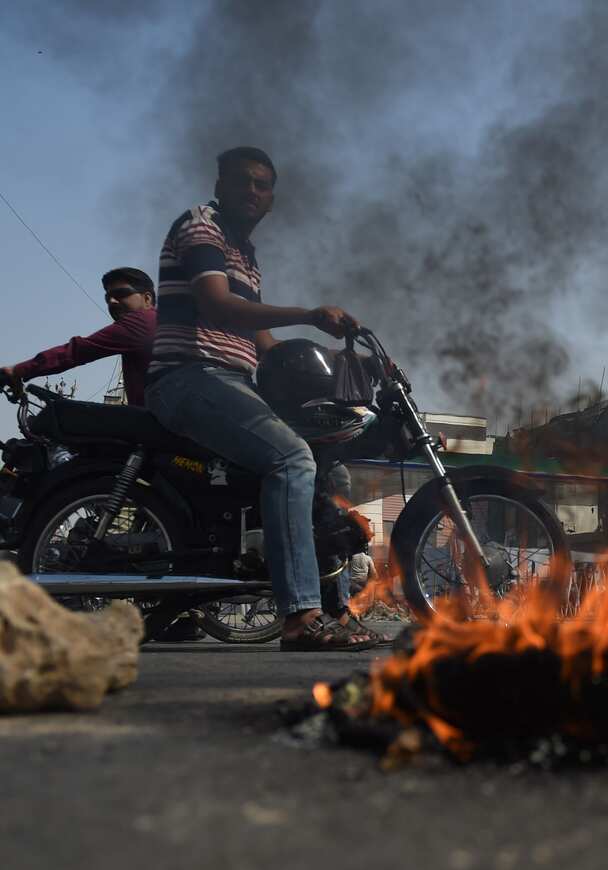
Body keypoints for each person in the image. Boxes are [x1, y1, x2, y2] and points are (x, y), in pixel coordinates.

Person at [144, 146, 374, 651]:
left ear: (271, 199)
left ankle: (335, 608)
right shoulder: (201, 226)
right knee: (291, 459)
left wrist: (342, 364)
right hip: (189, 377)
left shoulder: (244, 255)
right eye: (242, 181)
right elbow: (218, 305)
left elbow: (263, 344)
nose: (252, 191)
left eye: (262, 185)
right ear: (220, 186)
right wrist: (308, 314)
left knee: (319, 458)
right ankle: (300, 617)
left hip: (230, 380)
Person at [1, 267, 156, 405]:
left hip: (156, 422)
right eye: (107, 298)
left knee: (62, 416)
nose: (112, 302)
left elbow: (75, 352)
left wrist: (17, 371)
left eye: (121, 294)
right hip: (160, 420)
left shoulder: (141, 322)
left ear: (147, 299)